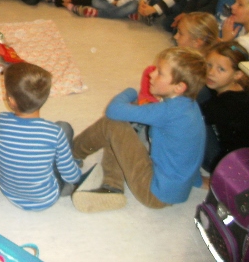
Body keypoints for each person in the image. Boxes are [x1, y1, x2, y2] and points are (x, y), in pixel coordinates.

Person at [71, 47, 207, 213]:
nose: (151, 74)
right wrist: (197, 181)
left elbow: (113, 110)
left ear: (179, 87)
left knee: (112, 123)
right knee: (126, 124)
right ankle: (112, 187)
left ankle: (71, 154)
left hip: (154, 192)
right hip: (174, 191)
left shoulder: (166, 111)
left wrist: (131, 92)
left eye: (160, 73)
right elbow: (191, 150)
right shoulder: (191, 107)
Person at [0, 62, 82, 211]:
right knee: (64, 127)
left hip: (8, 191)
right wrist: (77, 176)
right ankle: (66, 186)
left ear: (11, 101)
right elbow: (71, 175)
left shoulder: (1, 120)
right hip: (44, 197)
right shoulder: (54, 133)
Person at [201, 42, 249, 173]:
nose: (211, 73)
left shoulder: (229, 103)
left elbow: (190, 116)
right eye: (209, 65)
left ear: (238, 75)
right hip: (234, 155)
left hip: (221, 163)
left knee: (190, 123)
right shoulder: (234, 88)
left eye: (221, 69)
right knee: (201, 89)